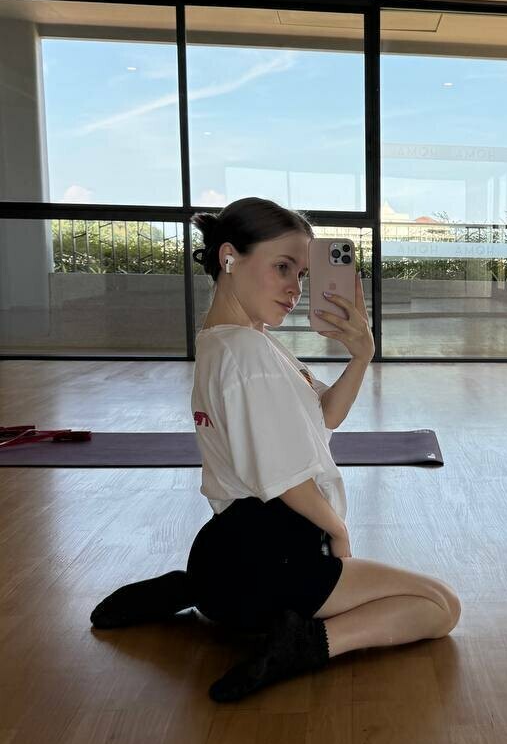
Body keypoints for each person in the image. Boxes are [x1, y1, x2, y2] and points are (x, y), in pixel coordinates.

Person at [90, 197, 461, 702]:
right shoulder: (248, 353)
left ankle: (195, 589)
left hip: (225, 551)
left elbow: (325, 414)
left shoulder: (232, 342)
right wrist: (339, 533)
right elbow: (285, 479)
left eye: (302, 274)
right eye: (282, 267)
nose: (295, 288)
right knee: (441, 606)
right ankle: (305, 645)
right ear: (229, 258)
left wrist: (361, 356)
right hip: (274, 559)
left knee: (250, 584)